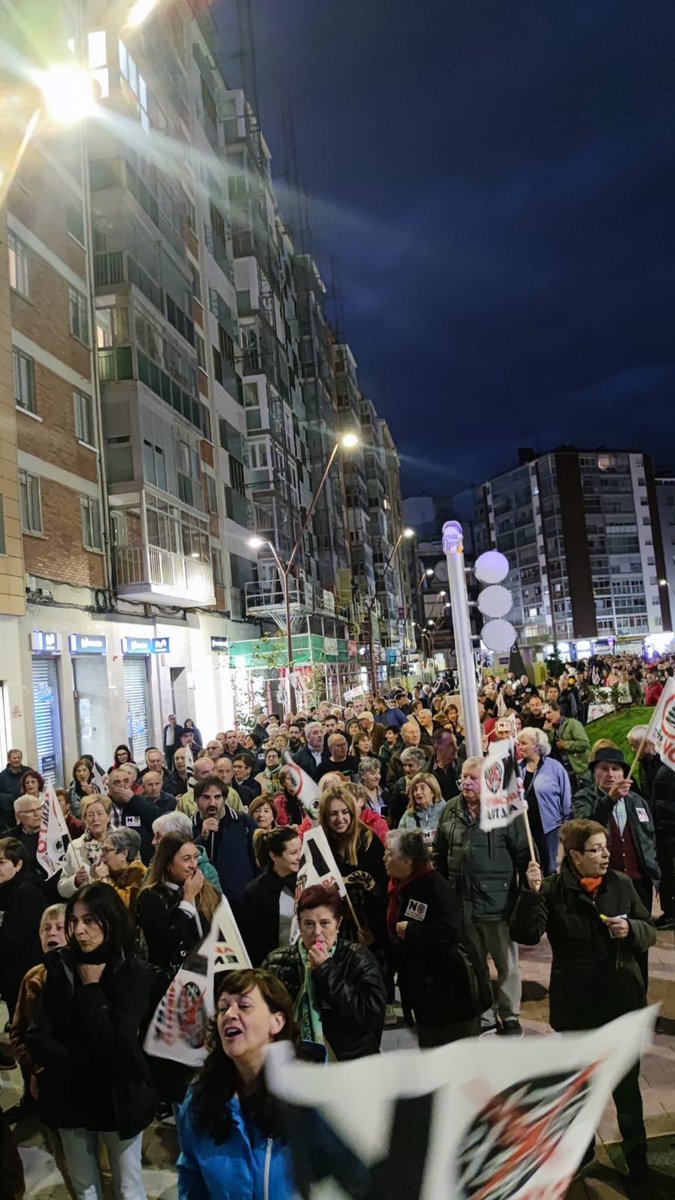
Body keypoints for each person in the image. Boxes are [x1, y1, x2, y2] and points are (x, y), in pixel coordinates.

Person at [510, 819, 656, 1190]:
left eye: (605, 847)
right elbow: (525, 933)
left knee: (627, 1092)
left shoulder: (620, 884)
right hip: (578, 1008)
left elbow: (648, 930)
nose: (605, 855)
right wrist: (530, 894)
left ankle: (638, 1163)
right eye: (595, 849)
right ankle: (583, 1153)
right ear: (575, 856)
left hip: (621, 1003)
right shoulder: (553, 890)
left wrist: (632, 930)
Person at [27, 884, 155, 1200]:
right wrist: (77, 1064)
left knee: (128, 1187)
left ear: (110, 920)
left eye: (89, 921)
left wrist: (91, 990)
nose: (79, 931)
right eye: (74, 921)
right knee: (84, 1186)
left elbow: (118, 1044)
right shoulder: (60, 966)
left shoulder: (133, 970)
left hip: (118, 1097)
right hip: (71, 1095)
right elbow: (38, 1033)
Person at [177, 969, 298, 1200]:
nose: (230, 1014)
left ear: (277, 1022)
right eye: (223, 1008)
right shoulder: (200, 1099)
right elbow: (192, 1178)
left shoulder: (308, 1100)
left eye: (244, 1006)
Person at [436, 756, 531, 1037]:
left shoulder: (506, 811)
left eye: (473, 778)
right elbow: (440, 853)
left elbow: (524, 854)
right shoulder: (451, 809)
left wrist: (527, 891)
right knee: (474, 964)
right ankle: (484, 1012)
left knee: (506, 964)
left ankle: (509, 1014)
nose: (466, 782)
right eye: (464, 777)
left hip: (497, 904)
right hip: (461, 903)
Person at [385, 829, 489, 1047]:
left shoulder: (433, 886)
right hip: (426, 994)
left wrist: (412, 930)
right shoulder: (400, 887)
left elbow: (451, 930)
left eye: (389, 854)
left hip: (450, 994)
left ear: (407, 861)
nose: (384, 858)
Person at [264, 884, 386, 1059]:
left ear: (338, 924)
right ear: (299, 925)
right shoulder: (276, 961)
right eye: (309, 924)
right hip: (295, 1060)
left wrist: (326, 970)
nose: (317, 932)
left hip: (350, 1061)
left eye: (325, 923)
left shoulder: (358, 958)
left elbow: (371, 1016)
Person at [574, 747, 659, 973]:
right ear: (594, 772)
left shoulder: (637, 801)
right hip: (604, 883)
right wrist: (609, 800)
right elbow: (585, 831)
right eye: (604, 768)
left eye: (616, 769)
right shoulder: (584, 798)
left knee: (638, 941)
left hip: (638, 884)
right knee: (606, 942)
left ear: (624, 773)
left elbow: (649, 838)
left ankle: (638, 988)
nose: (610, 774)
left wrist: (655, 873)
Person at [8, 903, 67, 1126]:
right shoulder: (33, 977)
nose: (52, 933)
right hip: (40, 1074)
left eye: (60, 928)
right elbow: (19, 1029)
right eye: (46, 928)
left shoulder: (84, 975)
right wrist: (32, 1067)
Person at [319, 785, 387, 947]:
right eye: (333, 814)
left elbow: (384, 886)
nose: (340, 819)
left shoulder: (369, 840)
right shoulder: (320, 844)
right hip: (334, 928)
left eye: (345, 812)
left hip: (371, 924)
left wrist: (374, 930)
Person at [194, 775, 257, 913]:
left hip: (241, 902)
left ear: (224, 799)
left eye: (217, 797)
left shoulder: (243, 822)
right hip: (203, 904)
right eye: (206, 797)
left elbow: (257, 860)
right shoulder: (189, 826)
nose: (212, 803)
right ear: (196, 800)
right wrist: (202, 837)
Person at [240, 828, 303, 966]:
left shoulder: (307, 881)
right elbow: (250, 939)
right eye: (293, 853)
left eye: (300, 850)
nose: (300, 856)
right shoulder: (255, 892)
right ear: (274, 856)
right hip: (269, 966)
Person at [0, 837, 45, 1023]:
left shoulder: (27, 892)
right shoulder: (7, 888)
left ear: (18, 865)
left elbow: (11, 939)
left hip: (25, 973)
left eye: (1, 862)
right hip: (11, 972)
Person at [516, 727, 572, 875]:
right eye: (519, 744)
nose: (520, 747)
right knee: (530, 867)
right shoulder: (517, 768)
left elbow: (566, 797)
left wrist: (565, 821)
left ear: (536, 746)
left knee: (551, 867)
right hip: (525, 828)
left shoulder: (555, 767)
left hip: (550, 828)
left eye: (524, 743)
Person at [151, 810, 223, 894]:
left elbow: (216, 901)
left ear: (177, 837)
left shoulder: (206, 871)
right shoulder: (153, 868)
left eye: (159, 836)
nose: (153, 842)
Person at [58, 795, 112, 899]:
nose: (95, 819)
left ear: (109, 816)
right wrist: (75, 881)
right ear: (85, 820)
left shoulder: (123, 840)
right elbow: (62, 888)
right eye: (90, 815)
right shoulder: (74, 846)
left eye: (100, 813)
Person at [106, 768, 159, 865]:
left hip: (141, 861)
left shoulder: (144, 801)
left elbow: (156, 819)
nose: (122, 785)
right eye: (117, 782)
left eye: (126, 781)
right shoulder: (104, 806)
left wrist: (133, 800)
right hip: (112, 861)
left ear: (131, 784)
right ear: (109, 787)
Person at [97, 828, 146, 914]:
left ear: (124, 854)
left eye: (106, 850)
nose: (101, 855)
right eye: (102, 850)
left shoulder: (140, 873)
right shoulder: (112, 873)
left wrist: (105, 878)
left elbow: (124, 906)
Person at [544, 703, 591, 784]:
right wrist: (547, 732)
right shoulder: (552, 730)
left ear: (558, 711)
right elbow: (548, 750)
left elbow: (584, 743)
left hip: (580, 771)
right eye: (545, 714)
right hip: (565, 772)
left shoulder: (572, 723)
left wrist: (565, 744)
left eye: (549, 712)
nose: (547, 716)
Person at [397, 772, 445, 844]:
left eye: (422, 788)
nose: (418, 792)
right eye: (415, 789)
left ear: (433, 791)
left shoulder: (445, 811)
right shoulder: (408, 815)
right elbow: (399, 840)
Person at [0, 750, 35, 828]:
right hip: (11, 813)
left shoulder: (29, 771)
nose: (17, 760)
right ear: (9, 759)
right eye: (14, 758)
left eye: (19, 758)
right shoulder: (2, 777)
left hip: (30, 809)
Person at [357, 756, 393, 821]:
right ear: (362, 775)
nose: (378, 777)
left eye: (379, 773)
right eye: (373, 773)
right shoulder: (356, 794)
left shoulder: (385, 792)